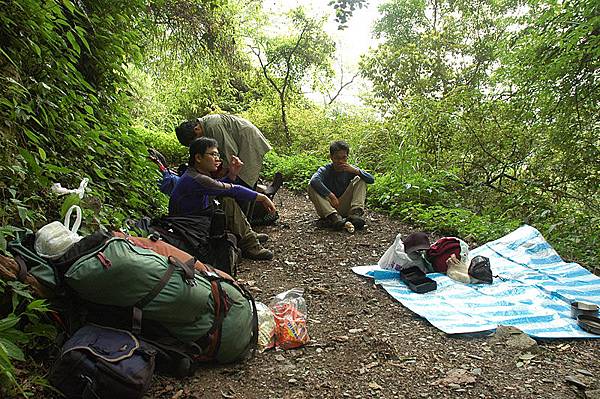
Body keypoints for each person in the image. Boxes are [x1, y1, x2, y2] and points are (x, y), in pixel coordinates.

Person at [169, 137, 276, 261]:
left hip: (196, 219)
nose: (217, 159)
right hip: (189, 227)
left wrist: (231, 175)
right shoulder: (196, 179)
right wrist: (262, 198)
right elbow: (233, 190)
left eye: (218, 154)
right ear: (198, 158)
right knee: (227, 201)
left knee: (224, 199)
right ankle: (250, 245)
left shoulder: (194, 175)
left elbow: (216, 186)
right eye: (213, 154)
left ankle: (247, 234)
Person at [175, 114, 272, 189]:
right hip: (243, 141)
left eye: (196, 139)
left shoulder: (213, 126)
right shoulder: (206, 125)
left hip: (249, 141)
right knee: (237, 177)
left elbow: (230, 152)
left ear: (196, 129)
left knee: (244, 180)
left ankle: (246, 212)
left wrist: (222, 172)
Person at [308, 140, 374, 230]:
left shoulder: (350, 169)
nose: (340, 161)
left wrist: (355, 171)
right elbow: (314, 180)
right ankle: (333, 217)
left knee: (360, 179)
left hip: (344, 205)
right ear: (331, 157)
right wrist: (331, 195)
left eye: (344, 158)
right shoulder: (326, 169)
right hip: (328, 207)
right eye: (337, 158)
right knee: (311, 185)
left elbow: (371, 179)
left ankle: (355, 213)